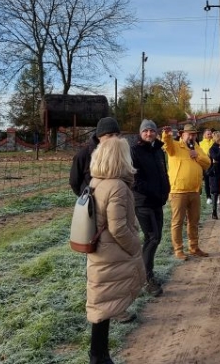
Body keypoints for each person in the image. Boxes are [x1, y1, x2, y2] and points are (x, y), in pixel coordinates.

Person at [85, 136, 145, 363]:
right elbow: (118, 227)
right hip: (112, 253)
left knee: (101, 303)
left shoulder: (96, 182)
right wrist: (135, 247)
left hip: (99, 251)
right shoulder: (117, 187)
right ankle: (99, 356)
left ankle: (99, 354)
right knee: (104, 304)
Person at [130, 119, 170, 297]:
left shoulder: (158, 150)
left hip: (157, 201)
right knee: (152, 237)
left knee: (156, 237)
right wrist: (154, 192)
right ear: (140, 133)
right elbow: (135, 180)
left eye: (152, 131)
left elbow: (163, 173)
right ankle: (147, 278)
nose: (149, 134)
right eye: (145, 131)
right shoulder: (134, 151)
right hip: (143, 201)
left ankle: (146, 272)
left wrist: (165, 190)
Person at [162, 123, 211, 260]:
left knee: (194, 221)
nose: (192, 136)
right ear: (182, 135)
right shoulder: (176, 146)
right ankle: (178, 250)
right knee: (177, 222)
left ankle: (194, 247)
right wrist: (166, 134)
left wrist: (197, 156)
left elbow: (207, 163)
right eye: (189, 134)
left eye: (194, 134)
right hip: (178, 191)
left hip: (195, 191)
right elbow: (167, 144)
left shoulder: (197, 148)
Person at [69, 117, 121, 196]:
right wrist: (86, 197)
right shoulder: (83, 155)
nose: (114, 139)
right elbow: (74, 182)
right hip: (92, 203)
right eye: (110, 135)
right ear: (99, 136)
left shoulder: (121, 154)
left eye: (116, 135)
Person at [208, 132, 220, 219]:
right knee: (215, 193)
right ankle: (214, 212)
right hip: (215, 173)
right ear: (218, 140)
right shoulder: (213, 148)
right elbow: (216, 157)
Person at [199, 128, 214, 204]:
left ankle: (215, 194)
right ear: (204, 135)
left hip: (213, 163)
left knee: (213, 180)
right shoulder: (200, 143)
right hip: (205, 164)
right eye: (208, 134)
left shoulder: (214, 142)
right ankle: (208, 196)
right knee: (207, 181)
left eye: (210, 134)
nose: (209, 135)